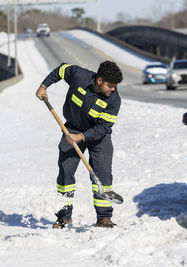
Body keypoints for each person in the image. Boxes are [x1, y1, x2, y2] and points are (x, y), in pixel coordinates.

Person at [35, 61, 123, 229]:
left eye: (115, 86)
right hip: (71, 128)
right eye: (110, 85)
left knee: (103, 174)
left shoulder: (114, 100)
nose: (113, 89)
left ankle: (104, 217)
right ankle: (64, 216)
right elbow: (60, 70)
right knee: (65, 171)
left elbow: (104, 127)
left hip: (98, 137)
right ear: (99, 80)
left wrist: (81, 136)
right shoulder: (79, 75)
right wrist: (44, 85)